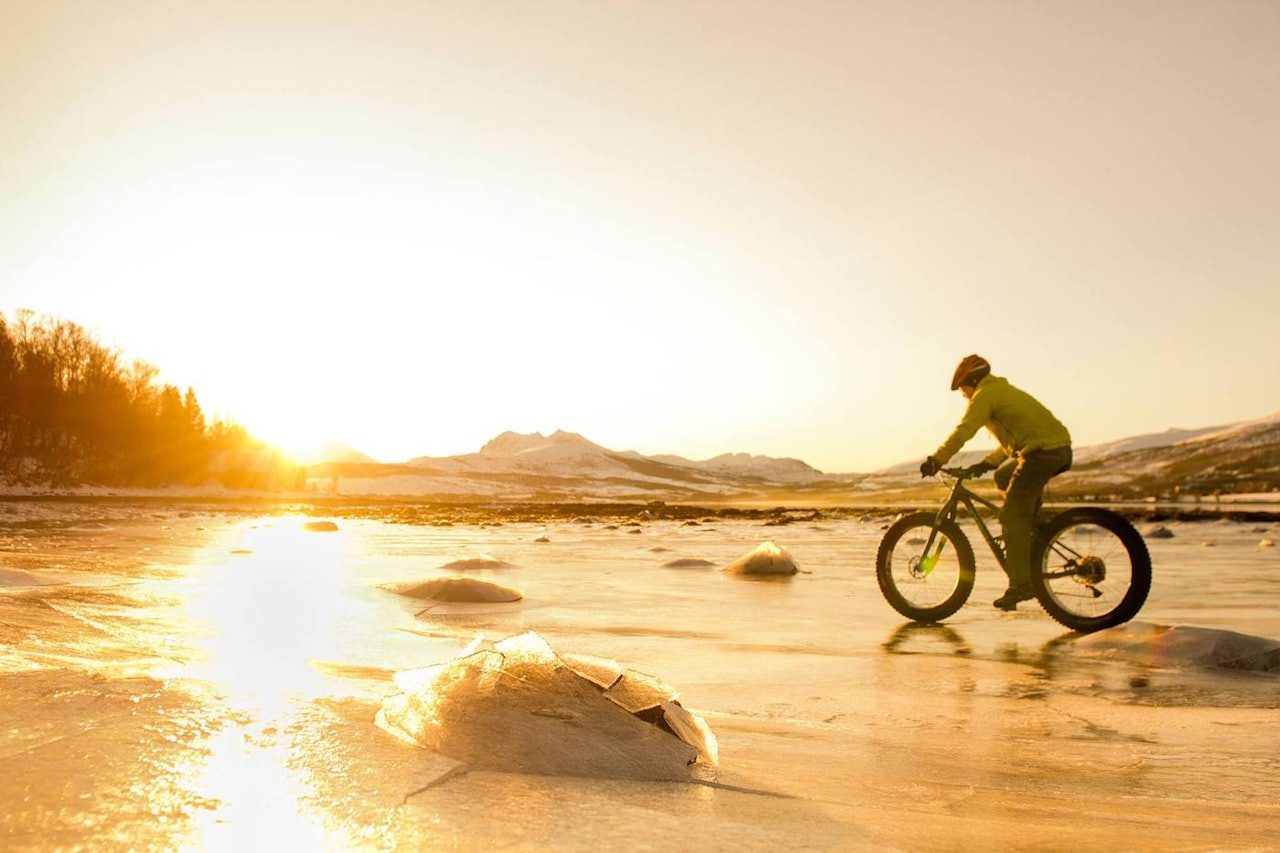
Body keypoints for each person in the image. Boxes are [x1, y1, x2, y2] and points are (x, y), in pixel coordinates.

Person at [919, 355, 1073, 611]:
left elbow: (964, 431)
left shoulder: (985, 395)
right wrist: (988, 464)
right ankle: (1034, 527)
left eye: (963, 389)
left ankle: (1021, 584)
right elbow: (1012, 441)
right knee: (1003, 477)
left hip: (1042, 453)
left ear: (972, 380)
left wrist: (937, 459)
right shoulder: (1003, 391)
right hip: (1055, 450)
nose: (964, 395)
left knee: (1011, 517)